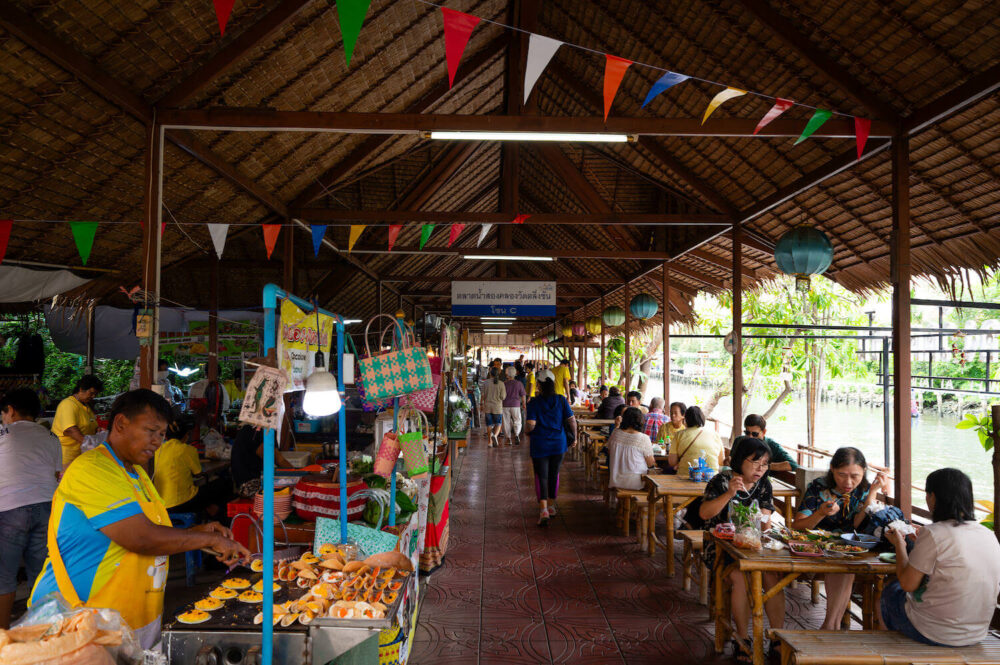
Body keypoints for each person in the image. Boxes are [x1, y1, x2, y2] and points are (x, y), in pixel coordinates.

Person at [29, 390, 248, 649]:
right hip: (81, 621)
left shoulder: (137, 474)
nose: (157, 441)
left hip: (130, 620)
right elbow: (142, 538)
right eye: (151, 431)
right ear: (121, 423)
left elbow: (152, 531)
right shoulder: (93, 469)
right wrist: (206, 538)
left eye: (162, 434)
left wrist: (199, 533)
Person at [880, 468, 1000, 647]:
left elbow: (907, 584)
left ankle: (888, 651)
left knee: (891, 591)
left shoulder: (934, 533)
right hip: (977, 633)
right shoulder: (988, 534)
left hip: (936, 633)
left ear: (933, 497)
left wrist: (899, 545)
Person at [699, 437, 782, 663]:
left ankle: (778, 638)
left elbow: (765, 521)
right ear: (739, 461)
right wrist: (728, 494)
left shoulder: (764, 484)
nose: (760, 469)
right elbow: (705, 514)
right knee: (740, 575)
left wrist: (766, 531)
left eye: (764, 464)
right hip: (720, 546)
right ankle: (742, 639)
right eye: (755, 462)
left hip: (752, 546)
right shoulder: (721, 481)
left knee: (772, 575)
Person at [792, 447, 888, 630]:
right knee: (843, 565)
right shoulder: (818, 487)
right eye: (842, 475)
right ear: (832, 470)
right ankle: (831, 625)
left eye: (855, 476)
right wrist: (820, 513)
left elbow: (859, 525)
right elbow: (797, 526)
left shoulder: (865, 490)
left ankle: (830, 625)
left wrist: (873, 493)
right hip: (815, 547)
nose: (848, 482)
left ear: (864, 472)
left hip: (849, 550)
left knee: (845, 564)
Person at [0, 389, 61, 628]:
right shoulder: (52, 437)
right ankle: (40, 632)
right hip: (46, 507)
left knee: (4, 576)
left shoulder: (3, 432)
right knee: (41, 574)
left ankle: (2, 639)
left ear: (11, 410)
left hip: (10, 509)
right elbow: (56, 474)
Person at [526, 369, 576, 526]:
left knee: (541, 475)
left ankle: (543, 510)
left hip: (540, 444)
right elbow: (572, 420)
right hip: (558, 444)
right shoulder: (561, 400)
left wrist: (526, 431)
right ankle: (552, 506)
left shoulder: (534, 402)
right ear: (554, 383)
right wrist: (574, 438)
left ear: (539, 385)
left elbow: (531, 424)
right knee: (554, 474)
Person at [152, 416, 207, 513]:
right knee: (217, 486)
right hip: (181, 503)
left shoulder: (158, 450)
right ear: (186, 435)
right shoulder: (187, 449)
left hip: (161, 504)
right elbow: (198, 473)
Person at [51, 375, 104, 469]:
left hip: (80, 456)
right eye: (91, 393)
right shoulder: (68, 404)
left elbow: (89, 425)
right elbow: (70, 430)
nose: (93, 396)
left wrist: (98, 430)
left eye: (95, 394)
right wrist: (89, 445)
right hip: (66, 457)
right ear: (81, 389)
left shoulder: (86, 406)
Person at [231, 422, 294, 497]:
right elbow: (277, 459)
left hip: (255, 479)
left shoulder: (262, 430)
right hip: (249, 485)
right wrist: (298, 475)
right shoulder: (255, 431)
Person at [607, 407, 655, 491]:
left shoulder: (615, 433)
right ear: (640, 420)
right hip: (637, 482)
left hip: (616, 480)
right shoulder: (644, 438)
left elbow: (609, 451)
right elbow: (650, 463)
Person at [668, 405, 724, 472]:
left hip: (685, 476)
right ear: (702, 418)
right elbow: (721, 461)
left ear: (686, 420)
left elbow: (672, 462)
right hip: (712, 478)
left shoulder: (679, 435)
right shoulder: (715, 435)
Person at [481, 366, 506, 447]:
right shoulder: (501, 383)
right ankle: (495, 435)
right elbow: (503, 397)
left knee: (489, 424)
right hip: (497, 407)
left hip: (487, 406)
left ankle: (489, 442)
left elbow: (482, 395)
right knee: (498, 423)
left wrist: (481, 404)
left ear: (490, 374)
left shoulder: (485, 383)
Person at [502, 366, 526, 446]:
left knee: (506, 422)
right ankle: (516, 434)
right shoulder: (519, 384)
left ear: (507, 374)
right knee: (517, 420)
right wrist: (524, 404)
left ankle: (508, 439)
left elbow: (501, 395)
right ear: (515, 373)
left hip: (505, 405)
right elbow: (523, 395)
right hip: (516, 405)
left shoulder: (504, 384)